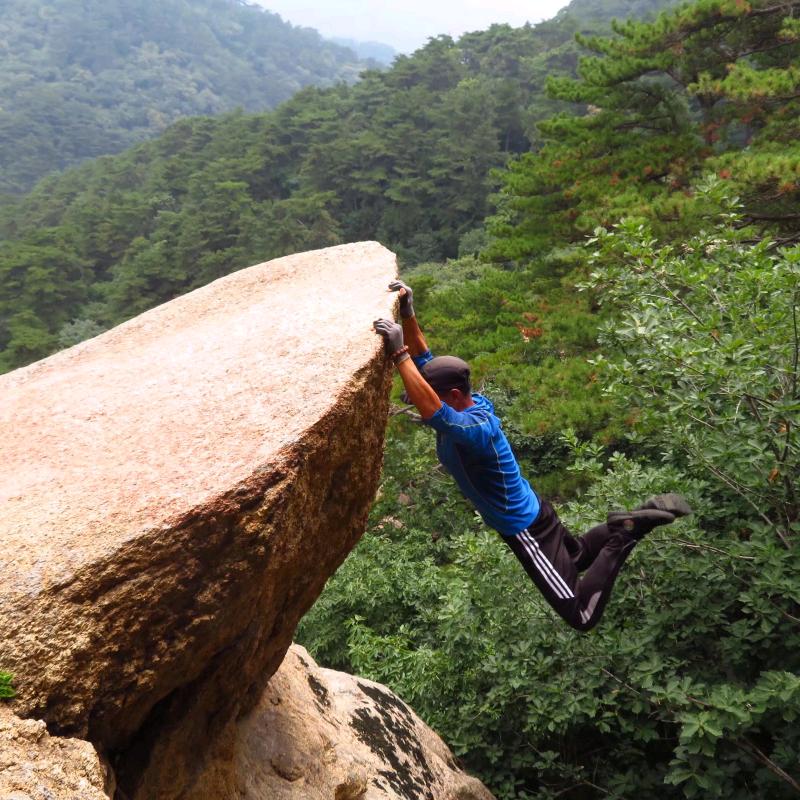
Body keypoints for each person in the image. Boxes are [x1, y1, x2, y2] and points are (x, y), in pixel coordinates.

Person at [373, 280, 691, 632]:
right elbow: (426, 360)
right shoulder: (472, 402)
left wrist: (399, 356)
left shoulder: (474, 431)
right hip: (534, 508)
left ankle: (627, 532)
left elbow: (433, 408)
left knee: (581, 616)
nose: (417, 399)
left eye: (427, 394)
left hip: (525, 529)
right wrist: (409, 313)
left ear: (450, 395)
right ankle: (625, 524)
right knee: (579, 555)